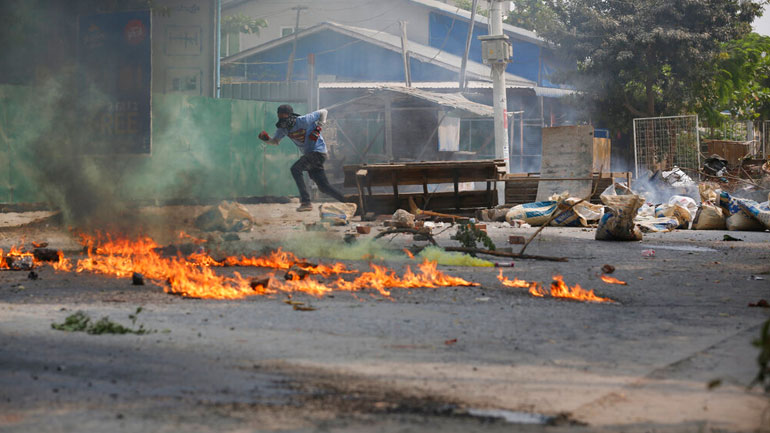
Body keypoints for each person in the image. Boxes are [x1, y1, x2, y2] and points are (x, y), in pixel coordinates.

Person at [258, 105, 346, 212]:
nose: (282, 121)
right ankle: (349, 202)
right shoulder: (283, 128)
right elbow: (275, 142)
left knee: (296, 169)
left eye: (284, 118)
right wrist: (266, 139)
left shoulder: (303, 120)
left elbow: (324, 112)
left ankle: (306, 202)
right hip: (311, 155)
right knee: (324, 187)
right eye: (280, 118)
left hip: (318, 152)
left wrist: (318, 128)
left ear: (290, 116)